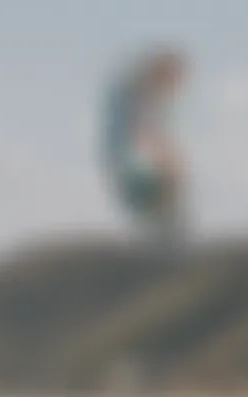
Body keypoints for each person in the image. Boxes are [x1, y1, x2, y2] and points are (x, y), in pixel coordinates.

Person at [104, 49, 187, 250]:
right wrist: (169, 160)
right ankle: (166, 245)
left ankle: (164, 241)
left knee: (169, 194)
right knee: (171, 187)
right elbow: (143, 134)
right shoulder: (139, 96)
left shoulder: (134, 94)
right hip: (136, 172)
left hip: (130, 171)